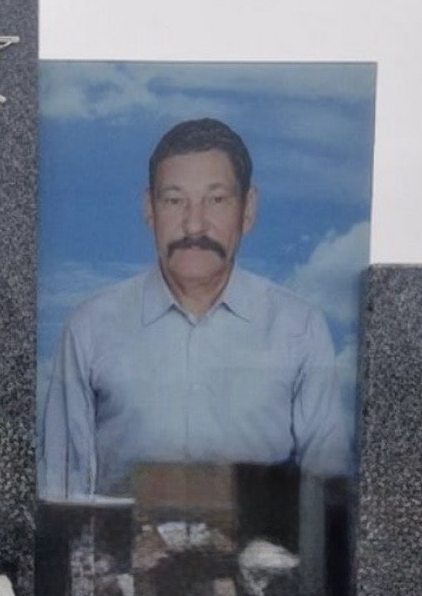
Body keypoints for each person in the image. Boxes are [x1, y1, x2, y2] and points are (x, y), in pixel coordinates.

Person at [40, 117, 350, 498]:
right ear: (149, 209)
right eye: (174, 200)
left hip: (260, 539)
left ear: (248, 209)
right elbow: (61, 490)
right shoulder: (89, 328)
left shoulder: (299, 328)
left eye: (216, 200)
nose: (194, 225)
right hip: (121, 539)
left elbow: (325, 492)